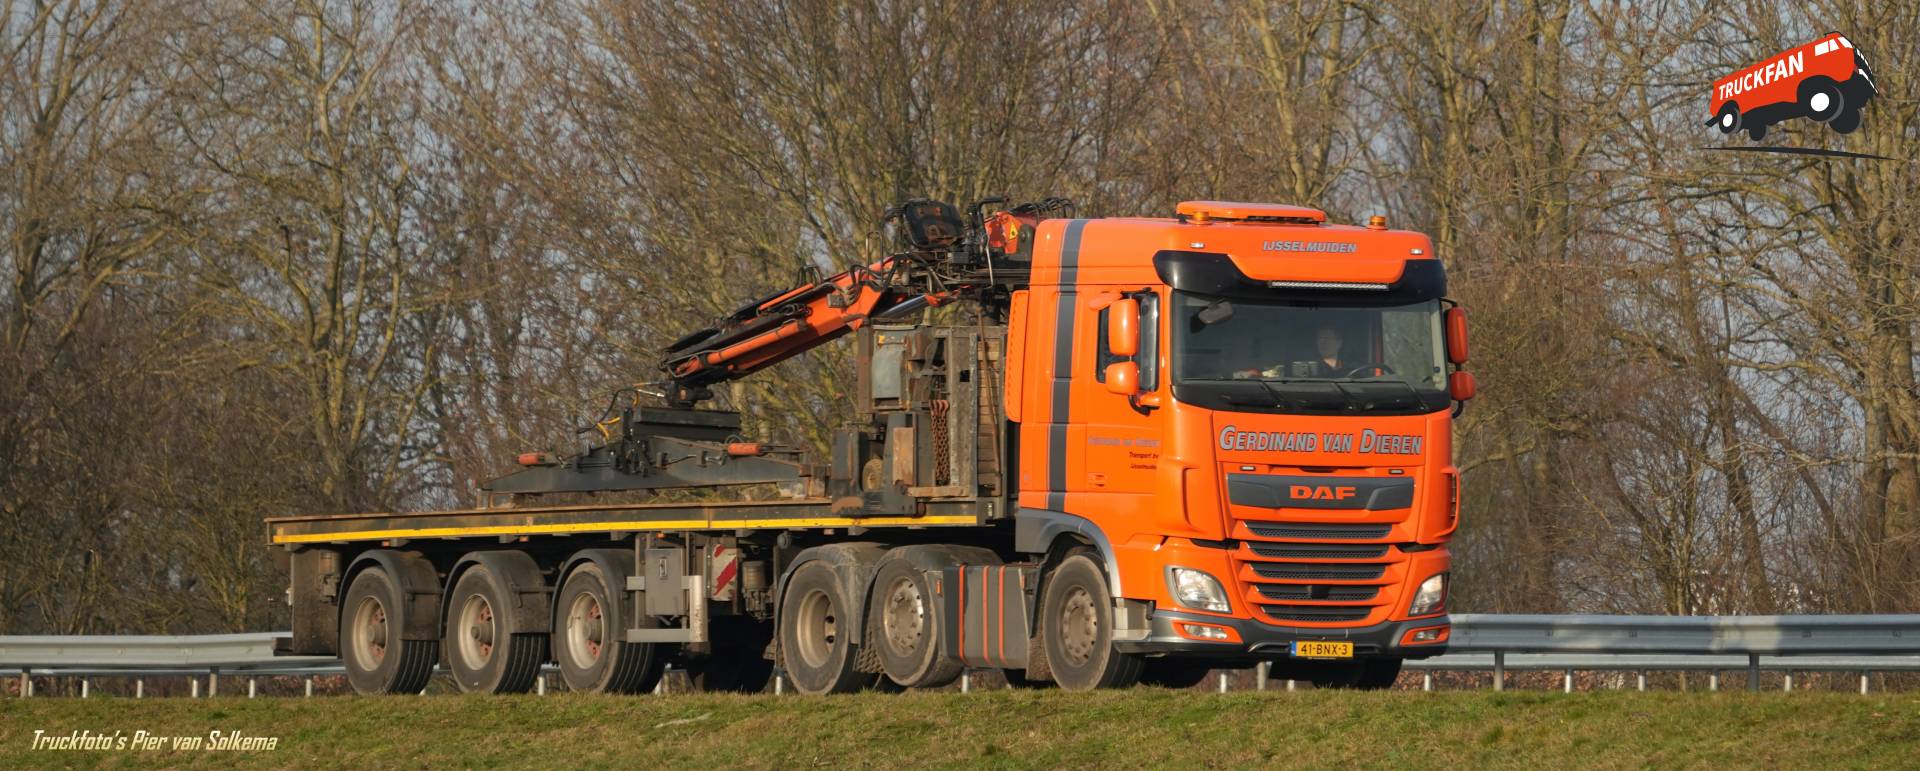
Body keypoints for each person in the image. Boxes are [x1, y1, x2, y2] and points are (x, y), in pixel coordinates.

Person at [1235, 324, 1347, 379]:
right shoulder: (1300, 366)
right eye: (1320, 339)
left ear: (1339, 343)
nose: (1323, 342)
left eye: (1328, 338)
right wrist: (1251, 373)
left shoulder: (1352, 368)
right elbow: (1271, 373)